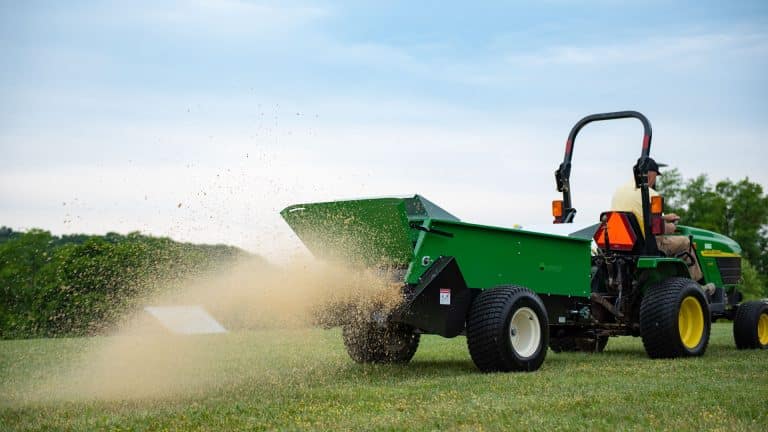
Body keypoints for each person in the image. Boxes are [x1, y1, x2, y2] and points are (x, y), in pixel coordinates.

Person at [611, 158, 715, 294]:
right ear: (649, 174)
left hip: (623, 245)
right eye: (656, 176)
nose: (655, 180)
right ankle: (697, 287)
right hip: (646, 245)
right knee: (685, 242)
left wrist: (664, 217)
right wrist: (670, 227)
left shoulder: (619, 191)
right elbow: (658, 228)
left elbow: (637, 215)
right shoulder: (653, 195)